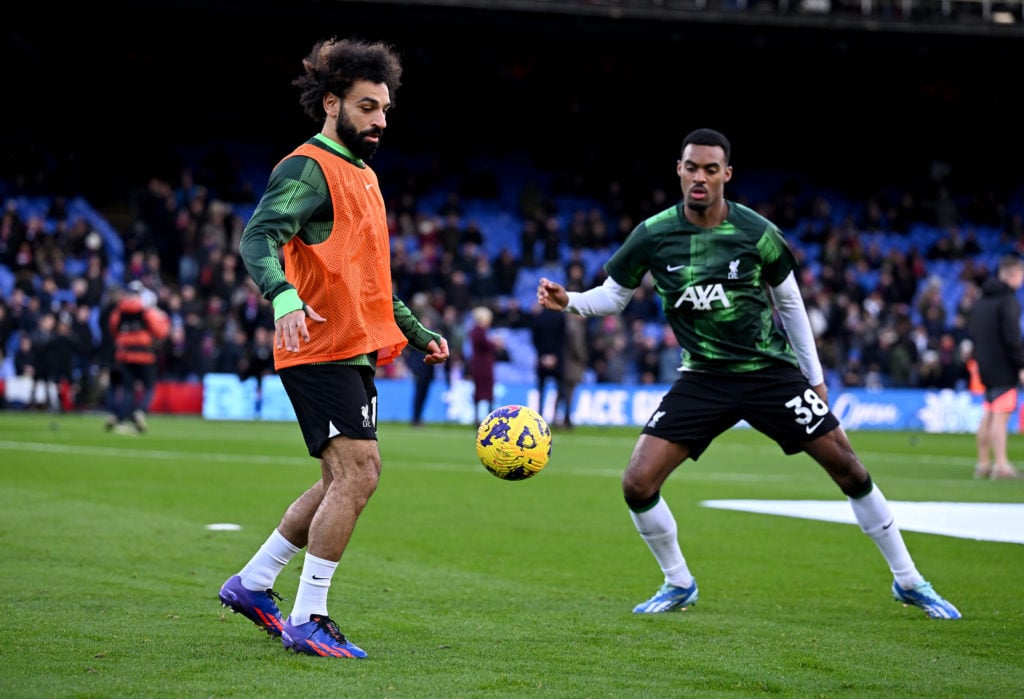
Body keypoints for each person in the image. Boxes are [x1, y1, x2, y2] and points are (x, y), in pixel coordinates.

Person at [536, 128, 961, 620]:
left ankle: (908, 580)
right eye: (692, 167)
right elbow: (612, 296)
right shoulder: (653, 234)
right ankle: (678, 582)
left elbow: (791, 303)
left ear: (726, 175)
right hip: (703, 378)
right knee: (637, 482)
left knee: (848, 467)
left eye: (710, 169)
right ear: (679, 169)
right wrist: (569, 301)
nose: (700, 177)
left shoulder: (757, 232)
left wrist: (814, 377)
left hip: (769, 374)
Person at [219, 37, 450, 659]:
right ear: (331, 102)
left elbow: (369, 280)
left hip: (353, 348)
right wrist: (283, 296)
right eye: (368, 107)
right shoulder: (308, 167)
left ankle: (254, 583)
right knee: (360, 473)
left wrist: (416, 331)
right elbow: (259, 237)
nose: (380, 121)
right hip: (318, 344)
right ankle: (309, 617)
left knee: (336, 479)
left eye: (385, 109)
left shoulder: (365, 176)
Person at [966, 254, 1024, 480]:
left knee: (988, 414)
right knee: (1000, 418)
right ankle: (1001, 465)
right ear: (1014, 274)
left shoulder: (981, 301)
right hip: (1004, 368)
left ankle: (983, 464)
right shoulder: (1008, 301)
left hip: (985, 366)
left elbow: (975, 334)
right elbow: (1012, 337)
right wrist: (1021, 365)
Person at [105, 281, 170, 433]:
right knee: (149, 387)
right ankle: (140, 412)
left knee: (127, 389)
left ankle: (120, 420)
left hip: (124, 355)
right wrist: (165, 320)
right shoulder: (146, 311)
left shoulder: (118, 311)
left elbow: (113, 330)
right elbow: (160, 331)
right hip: (144, 355)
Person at [529, 303, 566, 425]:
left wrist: (543, 356)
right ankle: (556, 417)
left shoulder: (538, 318)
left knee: (541, 389)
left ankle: (539, 416)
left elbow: (534, 339)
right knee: (559, 389)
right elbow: (563, 339)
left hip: (542, 359)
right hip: (558, 360)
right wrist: (554, 356)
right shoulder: (560, 317)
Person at [467, 305, 502, 422]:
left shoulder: (475, 331)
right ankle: (489, 418)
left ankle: (479, 418)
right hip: (483, 366)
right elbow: (487, 346)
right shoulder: (479, 332)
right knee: (486, 392)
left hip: (478, 365)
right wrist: (496, 344)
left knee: (479, 392)